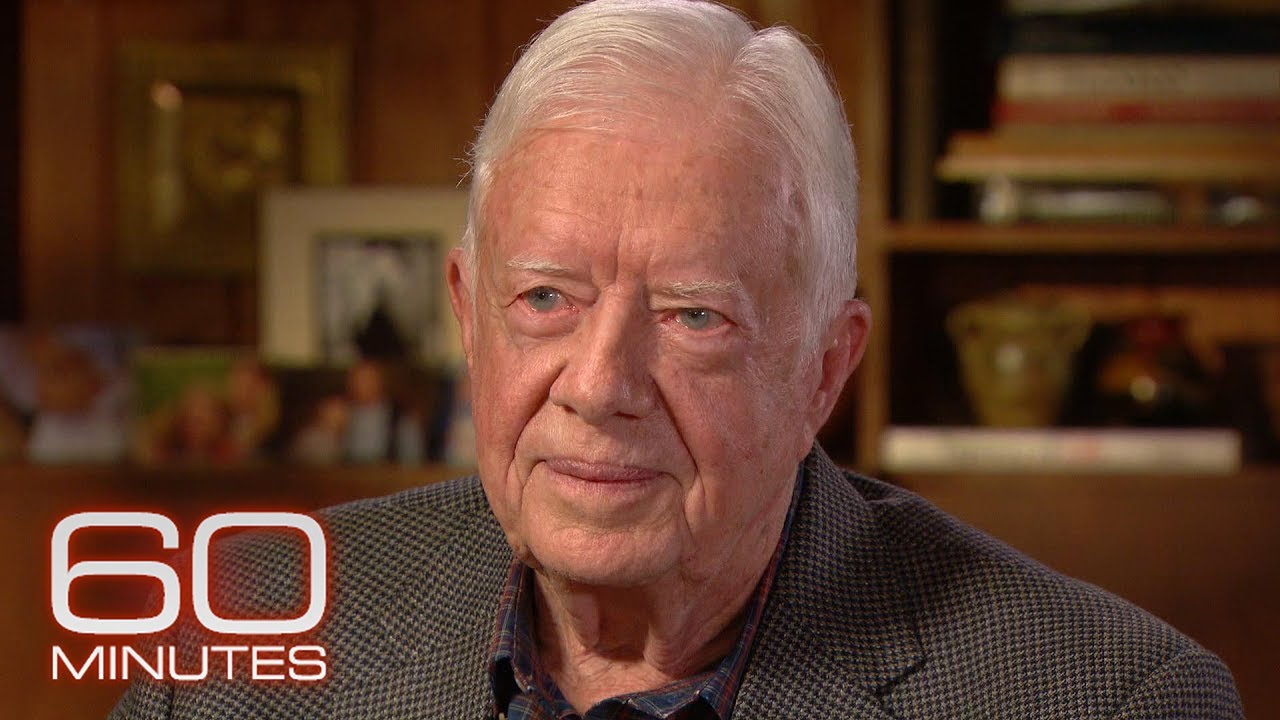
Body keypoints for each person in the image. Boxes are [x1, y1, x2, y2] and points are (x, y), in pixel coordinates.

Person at [110, 1, 1242, 717]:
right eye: (545, 299)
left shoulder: (1107, 698)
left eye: (695, 317)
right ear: (467, 315)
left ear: (824, 369)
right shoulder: (233, 641)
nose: (599, 385)